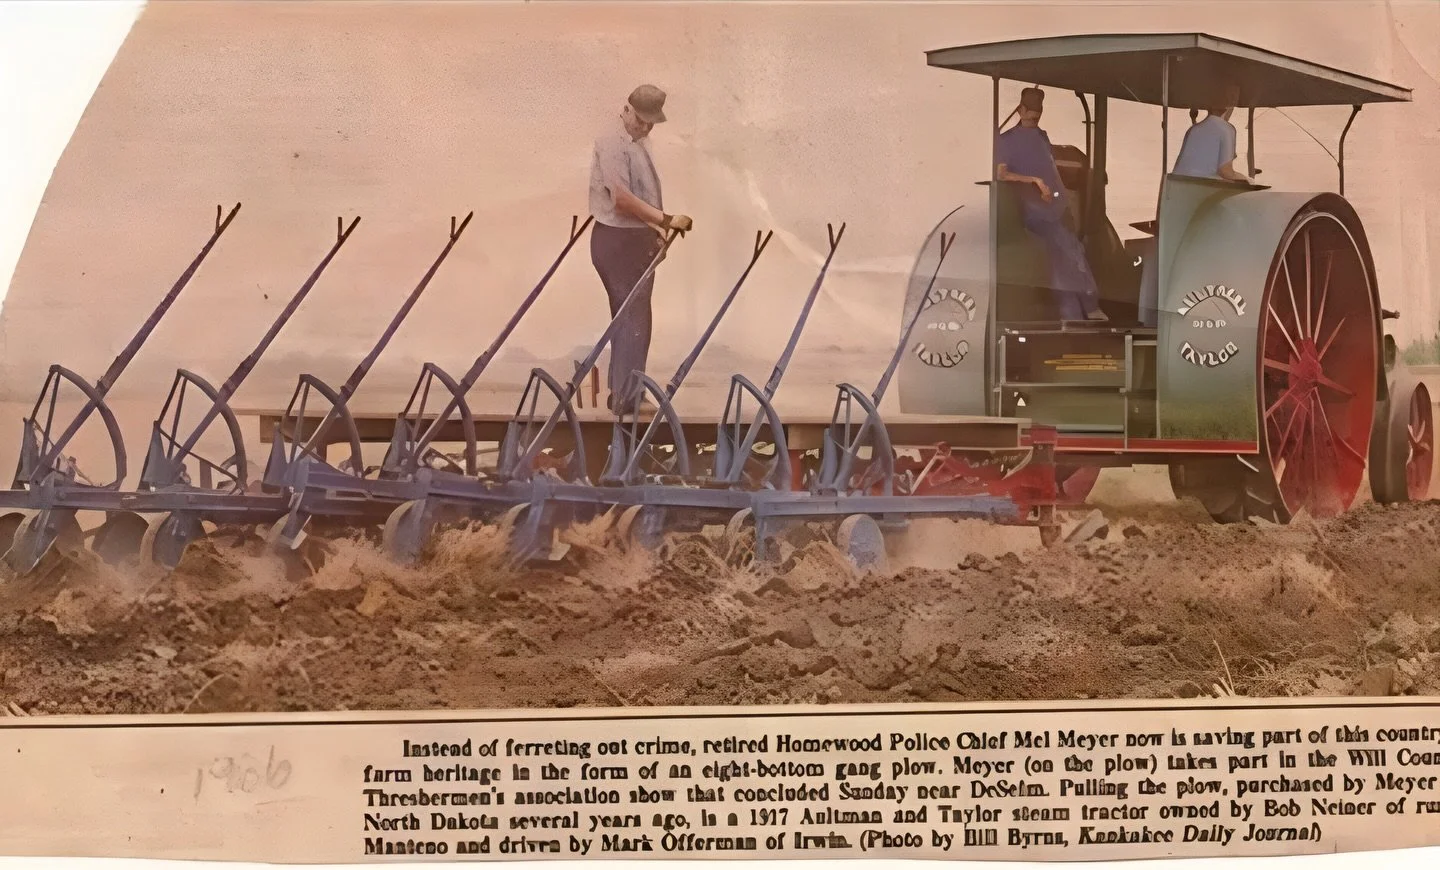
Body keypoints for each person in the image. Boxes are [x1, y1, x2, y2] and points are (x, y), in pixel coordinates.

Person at [588, 84, 693, 415]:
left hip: (635, 239)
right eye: (642, 121)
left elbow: (643, 198)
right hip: (616, 240)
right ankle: (626, 397)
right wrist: (665, 220)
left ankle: (624, 394)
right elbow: (621, 199)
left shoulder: (638, 142)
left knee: (635, 317)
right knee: (631, 317)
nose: (646, 128)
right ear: (627, 110)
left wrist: (655, 233)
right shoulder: (612, 142)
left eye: (651, 123)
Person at [995, 87, 1107, 322]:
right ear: (1021, 110)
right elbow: (1002, 174)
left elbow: (1049, 165)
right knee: (1064, 250)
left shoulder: (1042, 136)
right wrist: (1035, 181)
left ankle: (1082, 310)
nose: (1035, 116)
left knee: (1072, 251)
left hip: (1057, 207)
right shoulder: (1005, 141)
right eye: (1031, 111)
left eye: (1039, 111)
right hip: (1033, 211)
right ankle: (1081, 310)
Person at [1172, 81, 1252, 182]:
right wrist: (1247, 180)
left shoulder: (1193, 129)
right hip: (1199, 187)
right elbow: (1226, 171)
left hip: (1176, 184)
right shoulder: (1227, 129)